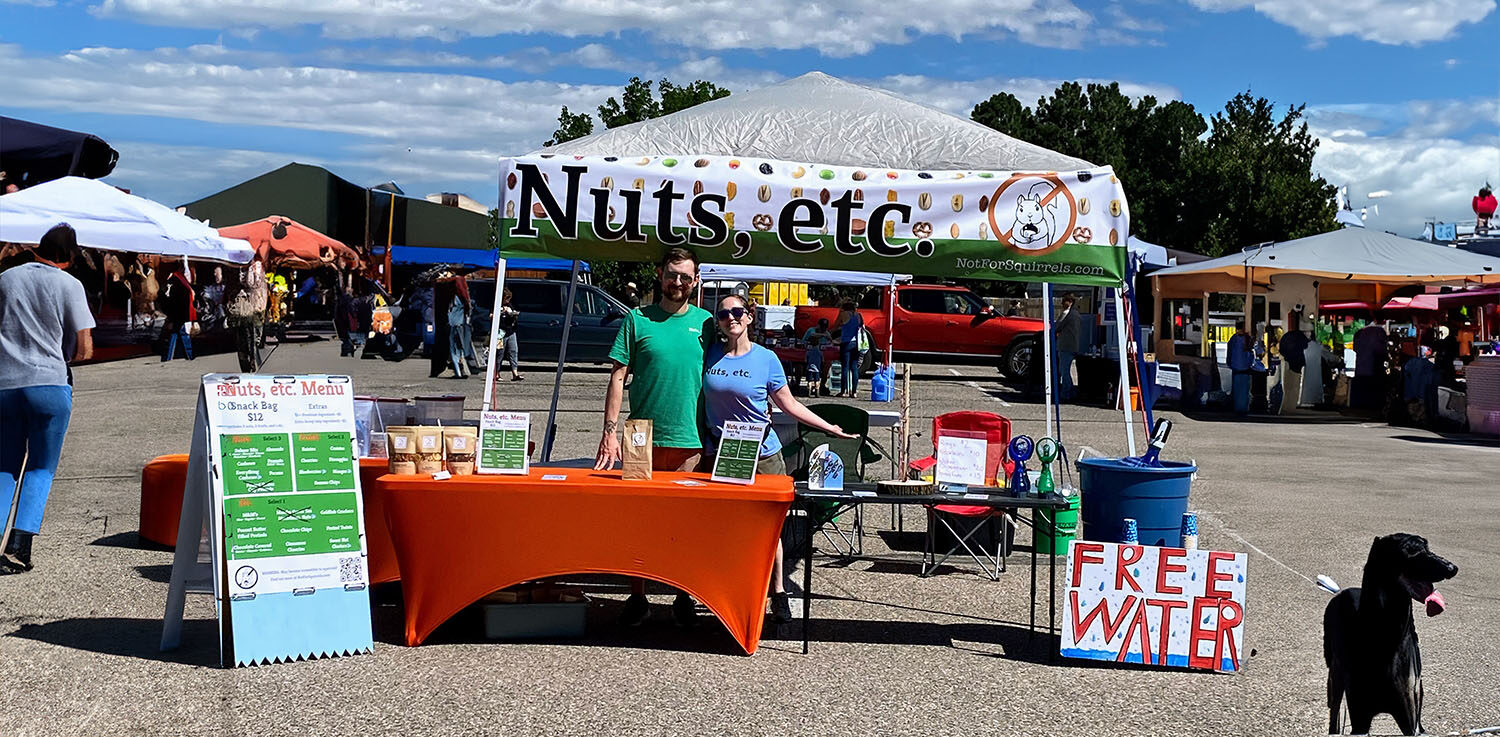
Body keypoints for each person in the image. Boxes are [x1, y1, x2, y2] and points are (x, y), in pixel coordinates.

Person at [703, 294, 855, 623]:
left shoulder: (767, 359)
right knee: (727, 526)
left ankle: (778, 592)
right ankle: (732, 589)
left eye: (737, 312)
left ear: (749, 317)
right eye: (724, 313)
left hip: (762, 454)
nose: (731, 317)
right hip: (722, 453)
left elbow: (789, 404)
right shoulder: (710, 354)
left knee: (771, 528)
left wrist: (829, 426)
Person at [595, 247, 714, 627]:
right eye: (672, 274)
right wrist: (609, 433)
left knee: (685, 522)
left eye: (685, 277)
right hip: (639, 434)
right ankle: (637, 595)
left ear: (695, 281)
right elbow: (617, 376)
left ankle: (683, 593)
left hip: (688, 435)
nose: (677, 282)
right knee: (639, 519)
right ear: (660, 274)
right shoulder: (636, 319)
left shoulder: (707, 322)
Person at [0, 224, 95, 574]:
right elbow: (84, 348)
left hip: (5, 386)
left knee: (4, 466)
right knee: (40, 467)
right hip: (49, 385)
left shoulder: (6, 279)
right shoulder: (69, 284)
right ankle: (19, 547)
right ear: (67, 259)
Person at [224, 251, 268, 372]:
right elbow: (252, 283)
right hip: (251, 308)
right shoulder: (254, 265)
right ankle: (251, 366)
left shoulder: (241, 265)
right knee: (250, 338)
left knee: (246, 339)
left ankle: (249, 366)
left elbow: (250, 283)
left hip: (247, 308)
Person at [158, 266, 196, 362]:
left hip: (178, 314)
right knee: (178, 334)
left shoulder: (176, 281)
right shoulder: (178, 281)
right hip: (180, 314)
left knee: (176, 334)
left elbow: (168, 299)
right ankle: (187, 355)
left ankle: (169, 356)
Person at [1351, 321, 1388, 410]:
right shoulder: (1379, 332)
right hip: (1374, 369)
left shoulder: (1360, 333)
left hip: (1361, 369)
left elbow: (1355, 349)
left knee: (1363, 395)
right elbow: (1381, 352)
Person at [830, 300, 864, 398]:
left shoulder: (843, 314)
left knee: (845, 367)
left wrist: (829, 332)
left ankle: (843, 391)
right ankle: (854, 392)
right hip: (856, 343)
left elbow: (836, 326)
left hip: (846, 343)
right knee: (854, 367)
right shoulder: (858, 315)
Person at [1278, 312, 1310, 413]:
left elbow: (1281, 350)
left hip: (1287, 362)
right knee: (1294, 387)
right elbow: (1306, 346)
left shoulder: (1286, 336)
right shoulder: (1301, 336)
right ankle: (1291, 407)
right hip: (1297, 364)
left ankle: (1285, 406)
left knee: (1287, 386)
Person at [1054, 294, 1083, 401]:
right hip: (1073, 345)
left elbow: (1057, 327)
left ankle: (1067, 392)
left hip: (1065, 346)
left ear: (1070, 302)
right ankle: (1068, 391)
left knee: (1064, 370)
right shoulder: (1076, 314)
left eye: (1064, 301)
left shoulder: (1067, 314)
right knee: (1065, 370)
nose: (1062, 304)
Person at [1226, 321, 1254, 415]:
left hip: (1236, 368)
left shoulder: (1233, 339)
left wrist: (1230, 363)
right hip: (1245, 369)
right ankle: (1243, 408)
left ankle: (1237, 407)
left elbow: (1229, 353)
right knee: (1244, 390)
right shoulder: (1248, 339)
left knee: (1237, 389)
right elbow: (1251, 354)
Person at [496, 287, 522, 381]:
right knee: (499, 353)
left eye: (509, 298)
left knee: (513, 351)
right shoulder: (496, 305)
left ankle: (515, 373)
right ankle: (497, 373)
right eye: (506, 298)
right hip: (500, 333)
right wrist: (501, 312)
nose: (507, 301)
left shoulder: (510, 305)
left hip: (511, 331)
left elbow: (513, 317)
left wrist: (513, 315)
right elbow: (491, 316)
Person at [802, 317, 832, 396]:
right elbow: (806, 339)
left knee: (828, 364)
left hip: (822, 355)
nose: (823, 329)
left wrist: (828, 337)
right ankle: (808, 387)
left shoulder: (826, 332)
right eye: (822, 327)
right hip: (813, 358)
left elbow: (830, 341)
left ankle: (822, 385)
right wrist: (822, 335)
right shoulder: (811, 330)